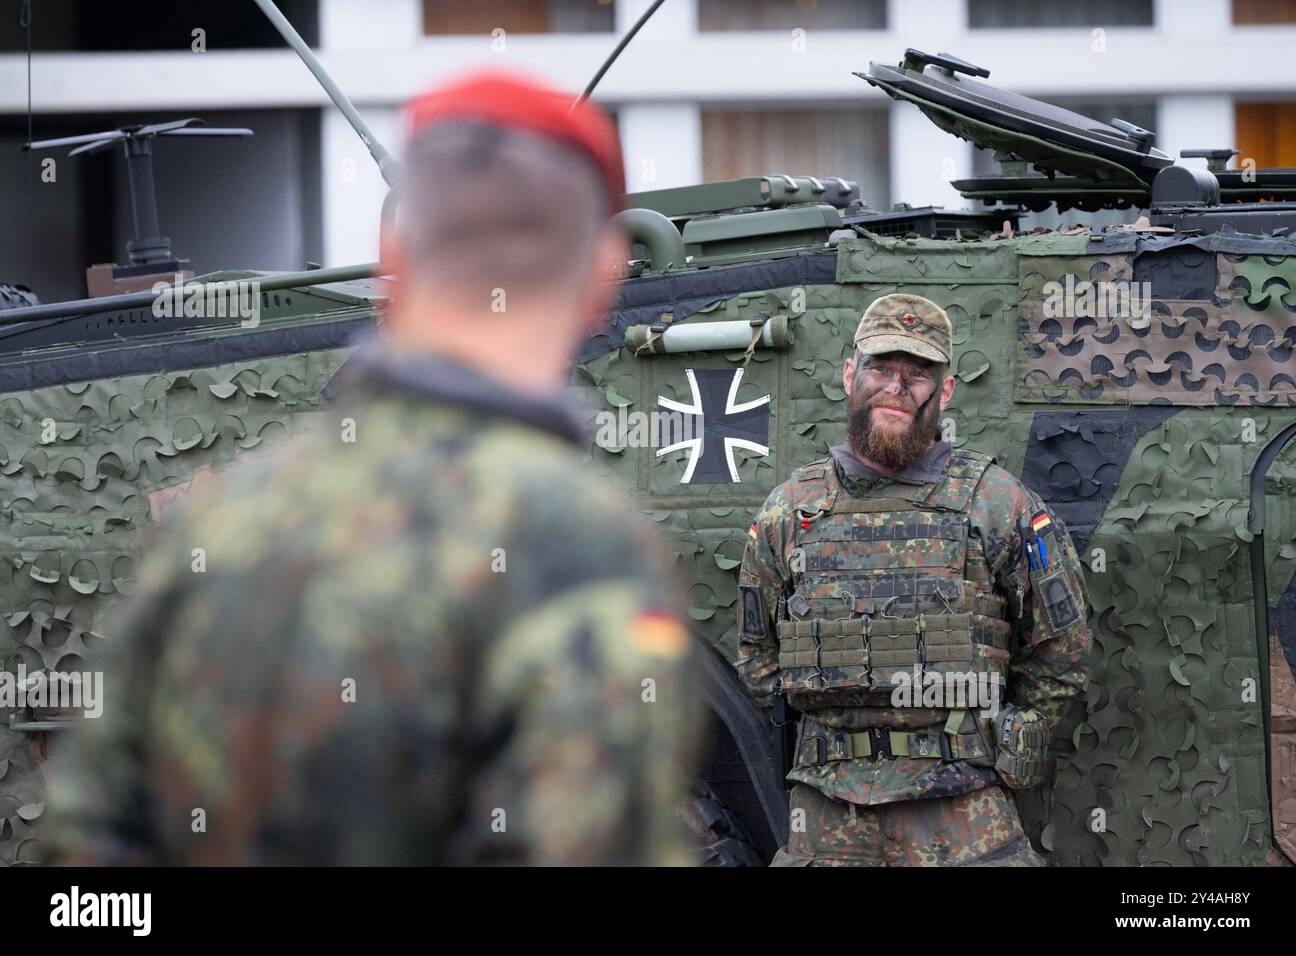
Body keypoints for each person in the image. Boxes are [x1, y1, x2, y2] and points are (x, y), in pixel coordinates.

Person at [45, 71, 696, 866]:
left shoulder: (219, 522)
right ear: (605, 272)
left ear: (393, 254)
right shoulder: (578, 546)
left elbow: (83, 864)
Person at [736, 293, 1092, 866]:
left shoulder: (998, 504)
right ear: (850, 374)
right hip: (829, 816)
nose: (895, 387)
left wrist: (1006, 737)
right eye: (880, 367)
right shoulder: (790, 511)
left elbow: (1062, 649)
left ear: (944, 391)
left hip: (963, 810)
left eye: (917, 374)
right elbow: (757, 659)